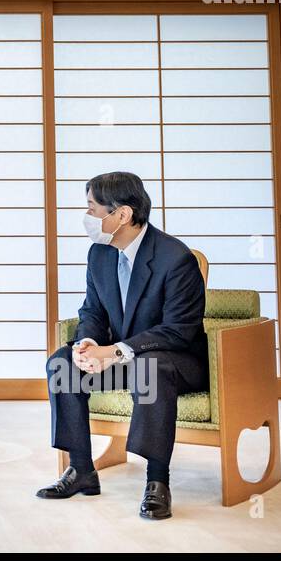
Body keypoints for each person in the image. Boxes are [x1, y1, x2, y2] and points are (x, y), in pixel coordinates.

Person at [36, 171, 207, 520]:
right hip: (123, 359)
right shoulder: (100, 254)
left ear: (123, 214)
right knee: (62, 362)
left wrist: (114, 352)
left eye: (93, 209)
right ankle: (81, 469)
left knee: (152, 367)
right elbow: (93, 311)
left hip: (176, 362)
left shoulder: (175, 258)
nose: (88, 218)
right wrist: (88, 343)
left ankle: (158, 481)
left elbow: (178, 331)